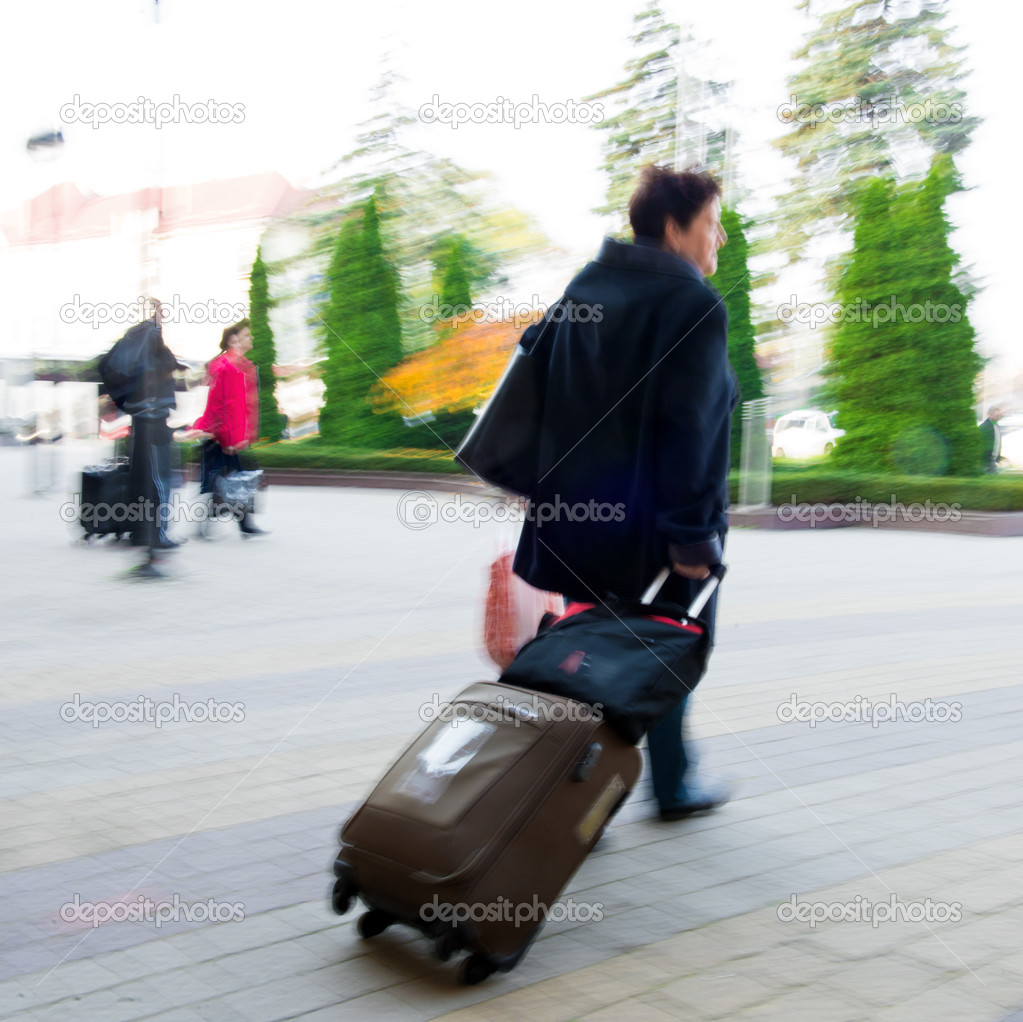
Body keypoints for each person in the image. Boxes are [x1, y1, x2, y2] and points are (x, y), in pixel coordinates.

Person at [512, 165, 737, 821]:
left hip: (579, 524)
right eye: (709, 225)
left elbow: (534, 366)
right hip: (654, 534)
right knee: (663, 649)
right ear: (673, 228)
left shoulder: (586, 286)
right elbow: (686, 430)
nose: (717, 239)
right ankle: (667, 786)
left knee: (588, 657)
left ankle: (577, 795)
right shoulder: (692, 305)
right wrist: (691, 535)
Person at [117, 300, 186, 576]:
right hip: (153, 427)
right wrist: (156, 320)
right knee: (157, 484)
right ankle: (153, 542)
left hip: (150, 425)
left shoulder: (143, 356)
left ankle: (151, 540)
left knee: (154, 484)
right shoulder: (150, 351)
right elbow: (156, 341)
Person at [181, 319, 268, 537]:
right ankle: (239, 523)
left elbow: (244, 405)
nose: (251, 338)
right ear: (233, 339)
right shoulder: (225, 367)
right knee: (229, 479)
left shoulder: (242, 365)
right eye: (247, 334)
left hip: (233, 435)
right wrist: (230, 439)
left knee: (232, 479)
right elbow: (221, 405)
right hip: (223, 436)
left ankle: (241, 523)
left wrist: (246, 434)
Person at [979, 405, 1005, 473]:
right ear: (990, 415)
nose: (999, 417)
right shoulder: (984, 427)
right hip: (987, 460)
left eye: (999, 415)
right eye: (997, 415)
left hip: (991, 459)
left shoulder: (995, 425)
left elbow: (997, 442)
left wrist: (998, 457)